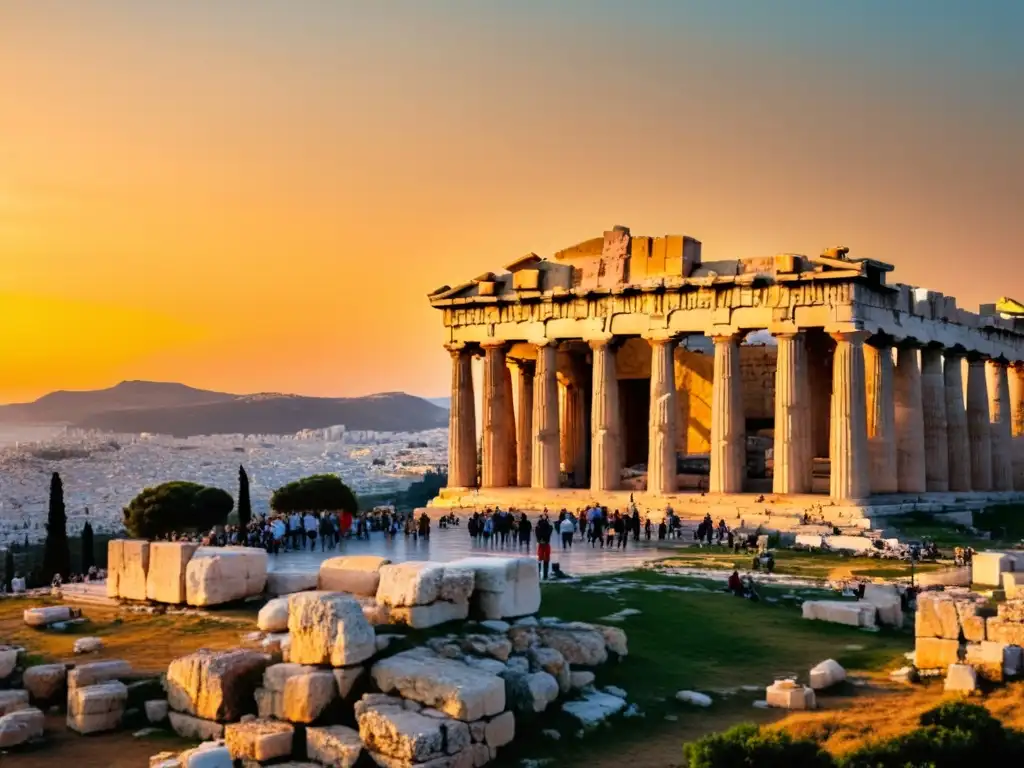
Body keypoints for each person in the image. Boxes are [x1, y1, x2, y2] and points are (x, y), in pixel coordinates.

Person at [535, 513, 553, 580]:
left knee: (539, 560)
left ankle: (539, 575)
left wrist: (540, 540)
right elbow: (551, 528)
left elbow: (537, 532)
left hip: (541, 544)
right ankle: (545, 575)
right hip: (546, 544)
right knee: (546, 560)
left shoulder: (538, 528)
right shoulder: (549, 527)